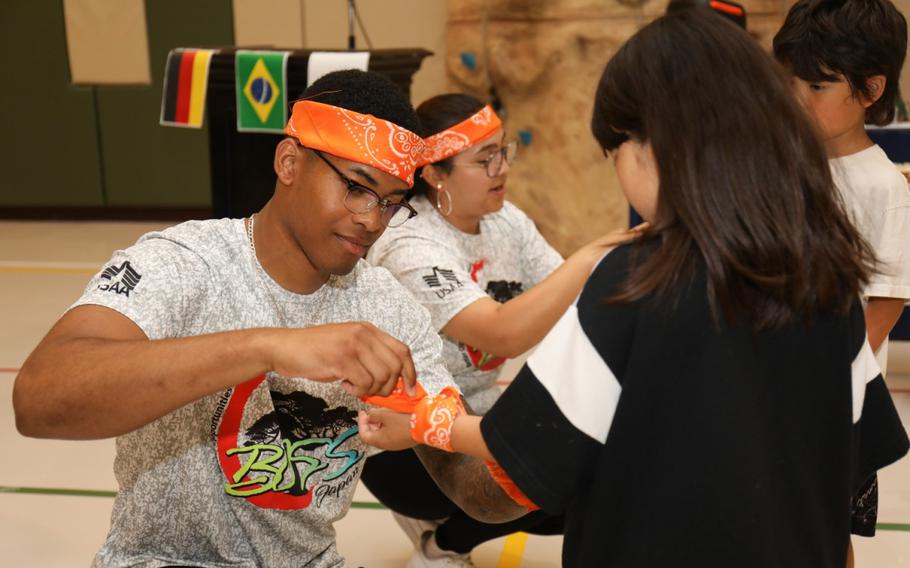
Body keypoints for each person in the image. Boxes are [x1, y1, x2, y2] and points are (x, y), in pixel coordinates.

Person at [359, 11, 910, 567]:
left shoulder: (630, 288)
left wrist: (428, 425)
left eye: (614, 152)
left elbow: (520, 447)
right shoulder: (827, 273)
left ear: (649, 147)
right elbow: (847, 456)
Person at [11, 70, 525, 568]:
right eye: (356, 187)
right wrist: (269, 347)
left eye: (391, 203)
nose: (372, 220)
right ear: (289, 162)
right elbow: (38, 398)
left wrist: (545, 448)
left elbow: (471, 489)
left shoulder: (389, 310)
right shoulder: (183, 263)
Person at [359, 93, 640, 566]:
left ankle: (447, 538)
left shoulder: (505, 220)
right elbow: (500, 334)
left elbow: (571, 299)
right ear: (433, 174)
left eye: (504, 152)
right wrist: (597, 253)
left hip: (478, 417)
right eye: (483, 159)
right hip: (402, 439)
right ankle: (439, 533)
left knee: (590, 483)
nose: (501, 169)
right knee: (548, 473)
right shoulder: (407, 241)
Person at [773, 0, 910, 561]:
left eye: (818, 87)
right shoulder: (783, 163)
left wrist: (839, 375)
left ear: (871, 90)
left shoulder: (883, 186)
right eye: (793, 83)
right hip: (770, 380)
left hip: (834, 398)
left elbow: (889, 296)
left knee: (824, 532)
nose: (798, 100)